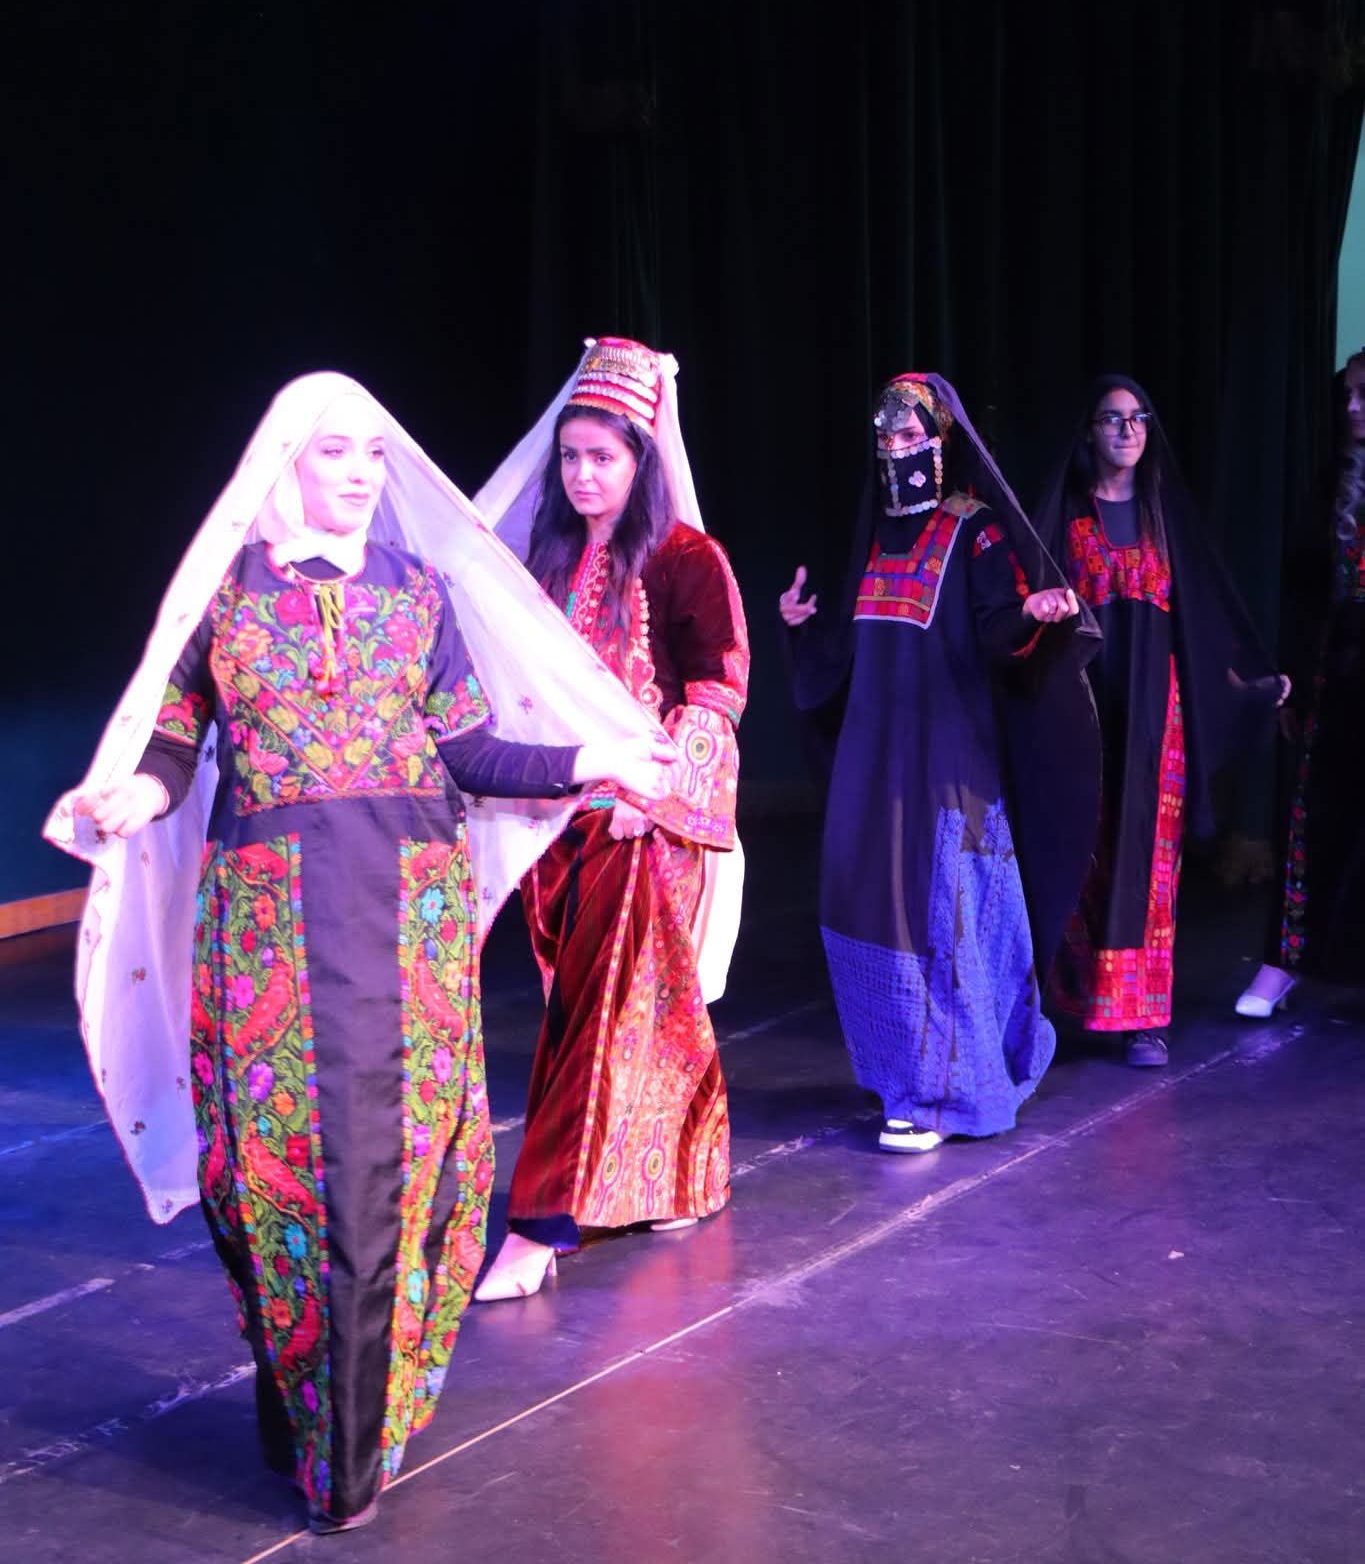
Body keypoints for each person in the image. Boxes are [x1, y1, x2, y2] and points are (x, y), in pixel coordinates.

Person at [44, 373, 676, 1536]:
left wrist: (596, 758)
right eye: (336, 449)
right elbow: (174, 745)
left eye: (374, 454)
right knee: (275, 1174)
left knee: (396, 1176)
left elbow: (474, 751)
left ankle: (352, 1448)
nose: (360, 471)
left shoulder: (419, 593)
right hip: (268, 933)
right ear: (284, 458)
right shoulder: (224, 600)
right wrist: (133, 794)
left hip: (406, 926)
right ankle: (312, 1419)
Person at [471, 337, 749, 1300]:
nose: (583, 475)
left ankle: (538, 1226)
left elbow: (717, 693)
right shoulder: (544, 559)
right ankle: (689, 1172)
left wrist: (654, 797)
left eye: (603, 457)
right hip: (558, 820)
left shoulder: (686, 559)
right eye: (571, 457)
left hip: (645, 824)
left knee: (591, 1022)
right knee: (642, 1012)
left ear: (641, 460)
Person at [781, 373, 1100, 1153]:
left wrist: (1029, 613)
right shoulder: (871, 530)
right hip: (873, 756)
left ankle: (946, 1095)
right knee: (871, 913)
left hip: (944, 755)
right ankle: (900, 1077)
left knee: (940, 915)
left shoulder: (973, 529)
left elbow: (995, 631)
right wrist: (800, 629)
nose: (895, 449)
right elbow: (848, 645)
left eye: (909, 435)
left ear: (939, 441)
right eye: (884, 437)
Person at [1037, 375, 1285, 1067]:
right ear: (1088, 431)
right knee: (1082, 845)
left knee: (1147, 859)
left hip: (1155, 713)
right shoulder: (1065, 515)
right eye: (1112, 418)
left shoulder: (1161, 517)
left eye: (1139, 417)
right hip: (1084, 708)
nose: (1127, 430)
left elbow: (1199, 623)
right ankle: (1070, 1001)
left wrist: (1244, 685)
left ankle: (1142, 1017)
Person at [1239, 346, 1365, 1015]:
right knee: (1313, 818)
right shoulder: (1331, 482)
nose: (1351, 408)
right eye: (1347, 395)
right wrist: (1288, 678)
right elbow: (1302, 589)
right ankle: (1282, 962)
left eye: (1363, 395)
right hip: (1336, 673)